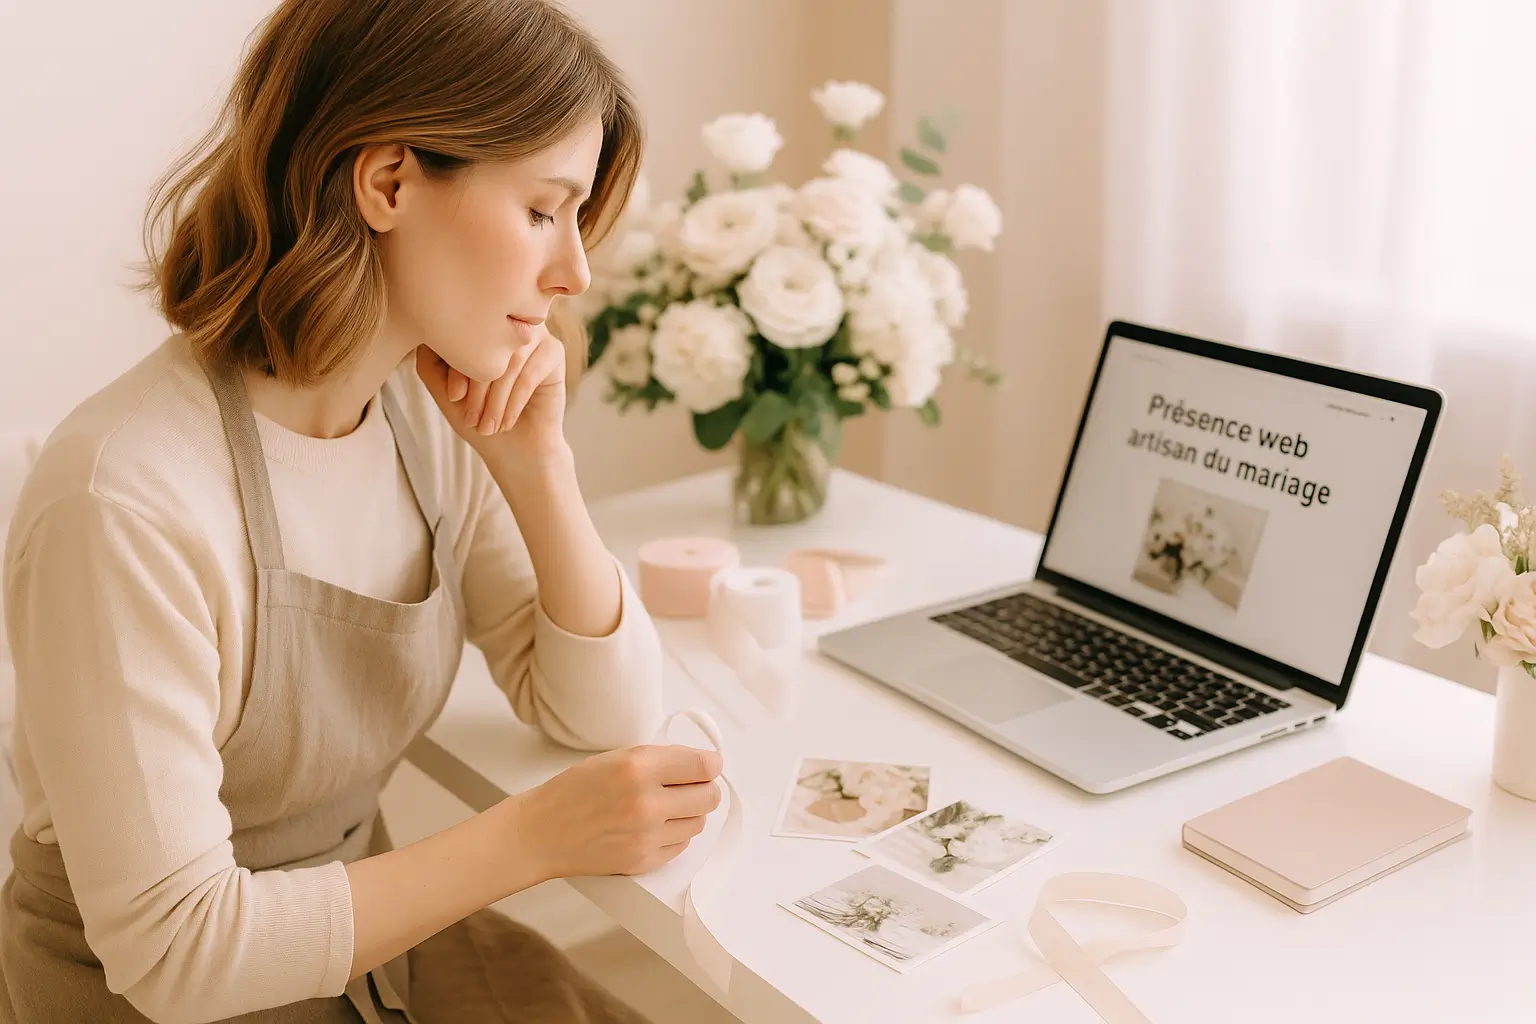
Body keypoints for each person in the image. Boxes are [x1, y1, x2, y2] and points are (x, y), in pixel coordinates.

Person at [0, 1, 725, 1021]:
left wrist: (539, 469)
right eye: (542, 211)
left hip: (369, 951)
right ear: (387, 182)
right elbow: (176, 955)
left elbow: (597, 714)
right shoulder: (124, 500)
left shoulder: (425, 414)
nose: (575, 272)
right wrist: (535, 838)